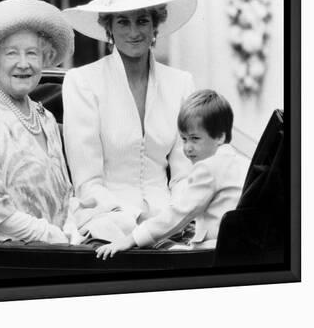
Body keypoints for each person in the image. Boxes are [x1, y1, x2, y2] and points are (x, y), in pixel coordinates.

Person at [62, 0, 198, 242]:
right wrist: (132, 224)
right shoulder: (82, 82)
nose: (134, 32)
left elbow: (186, 175)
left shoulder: (181, 83)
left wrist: (171, 219)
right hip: (105, 221)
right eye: (123, 21)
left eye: (142, 20)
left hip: (170, 223)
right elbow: (87, 183)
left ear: (155, 26)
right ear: (109, 28)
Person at [0, 0, 82, 244]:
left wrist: (72, 229)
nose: (24, 63)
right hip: (11, 257)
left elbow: (65, 194)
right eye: (11, 53)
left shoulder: (46, 117)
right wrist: (51, 236)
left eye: (32, 53)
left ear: (44, 59)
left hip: (61, 252)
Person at [96, 90, 249, 258]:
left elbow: (180, 213)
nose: (187, 148)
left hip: (215, 250)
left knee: (157, 249)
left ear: (220, 137)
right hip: (240, 245)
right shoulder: (240, 161)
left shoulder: (208, 168)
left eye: (195, 138)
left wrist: (132, 239)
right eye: (183, 139)